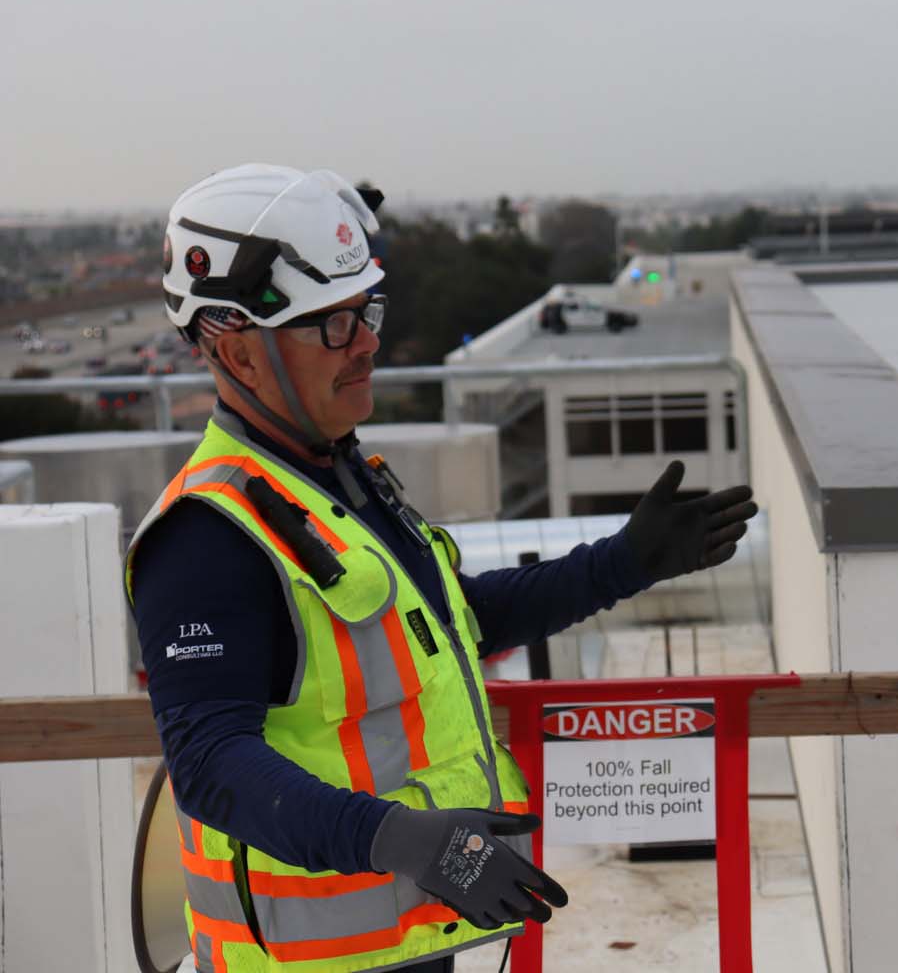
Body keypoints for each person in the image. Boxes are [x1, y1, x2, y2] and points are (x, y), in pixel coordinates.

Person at [126, 163, 757, 973]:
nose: (367, 343)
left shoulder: (339, 483)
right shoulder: (208, 534)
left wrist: (621, 564)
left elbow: (451, 622)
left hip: (405, 937)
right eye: (332, 324)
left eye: (367, 312)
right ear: (239, 352)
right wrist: (400, 840)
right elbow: (210, 765)